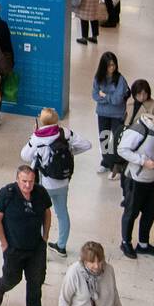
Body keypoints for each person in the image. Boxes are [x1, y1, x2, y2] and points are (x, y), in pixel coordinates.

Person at [0, 165, 54, 306]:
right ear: (17, 180)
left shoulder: (40, 193)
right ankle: (1, 288)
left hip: (36, 248)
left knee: (36, 282)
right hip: (14, 249)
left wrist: (45, 236)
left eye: (31, 181)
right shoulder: (7, 194)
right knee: (12, 278)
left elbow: (47, 213)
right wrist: (4, 243)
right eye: (24, 181)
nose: (28, 185)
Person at [21, 107, 92, 257]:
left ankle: (40, 247)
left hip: (44, 185)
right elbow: (87, 144)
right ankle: (61, 246)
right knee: (62, 213)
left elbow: (25, 156)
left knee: (41, 215)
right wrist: (71, 152)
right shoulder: (65, 133)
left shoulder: (37, 137)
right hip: (63, 182)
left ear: (42, 120)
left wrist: (33, 136)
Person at [59, 242, 125, 306]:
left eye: (100, 261)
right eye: (92, 262)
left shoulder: (109, 270)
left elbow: (114, 293)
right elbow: (63, 301)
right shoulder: (74, 272)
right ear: (84, 261)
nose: (97, 266)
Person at [117, 110, 154, 259]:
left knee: (150, 212)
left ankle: (143, 244)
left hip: (152, 178)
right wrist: (143, 161)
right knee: (131, 212)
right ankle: (125, 242)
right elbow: (122, 149)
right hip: (136, 178)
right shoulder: (141, 128)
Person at [92, 51, 130, 176]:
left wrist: (104, 95)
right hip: (102, 113)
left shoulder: (120, 80)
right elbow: (95, 95)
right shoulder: (98, 78)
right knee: (104, 138)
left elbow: (117, 100)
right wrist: (109, 98)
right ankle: (106, 162)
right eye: (109, 65)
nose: (112, 68)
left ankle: (116, 165)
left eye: (113, 65)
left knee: (117, 140)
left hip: (117, 114)